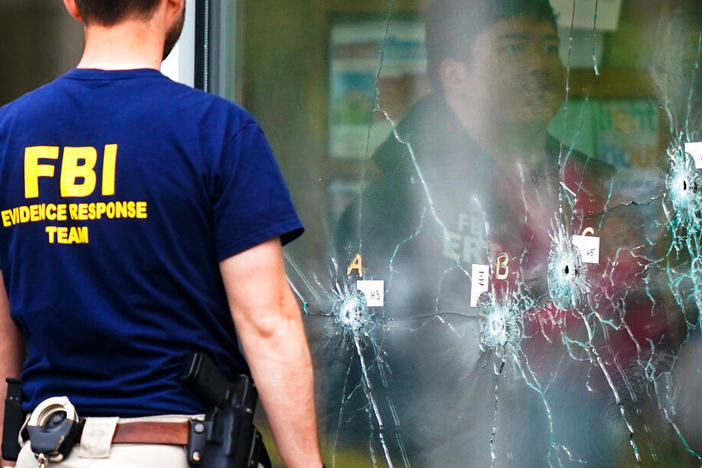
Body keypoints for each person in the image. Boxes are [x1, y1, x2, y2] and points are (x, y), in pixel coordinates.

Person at [333, 0, 679, 466]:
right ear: (457, 75)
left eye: (549, 46)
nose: (539, 63)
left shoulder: (598, 194)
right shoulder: (394, 207)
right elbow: (368, 378)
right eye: (514, 46)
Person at [0, 1, 323, 467]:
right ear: (175, 2)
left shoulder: (9, 135)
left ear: (72, 4)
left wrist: (10, 455)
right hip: (173, 449)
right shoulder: (217, 131)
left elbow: (3, 331)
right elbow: (267, 322)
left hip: (47, 449)